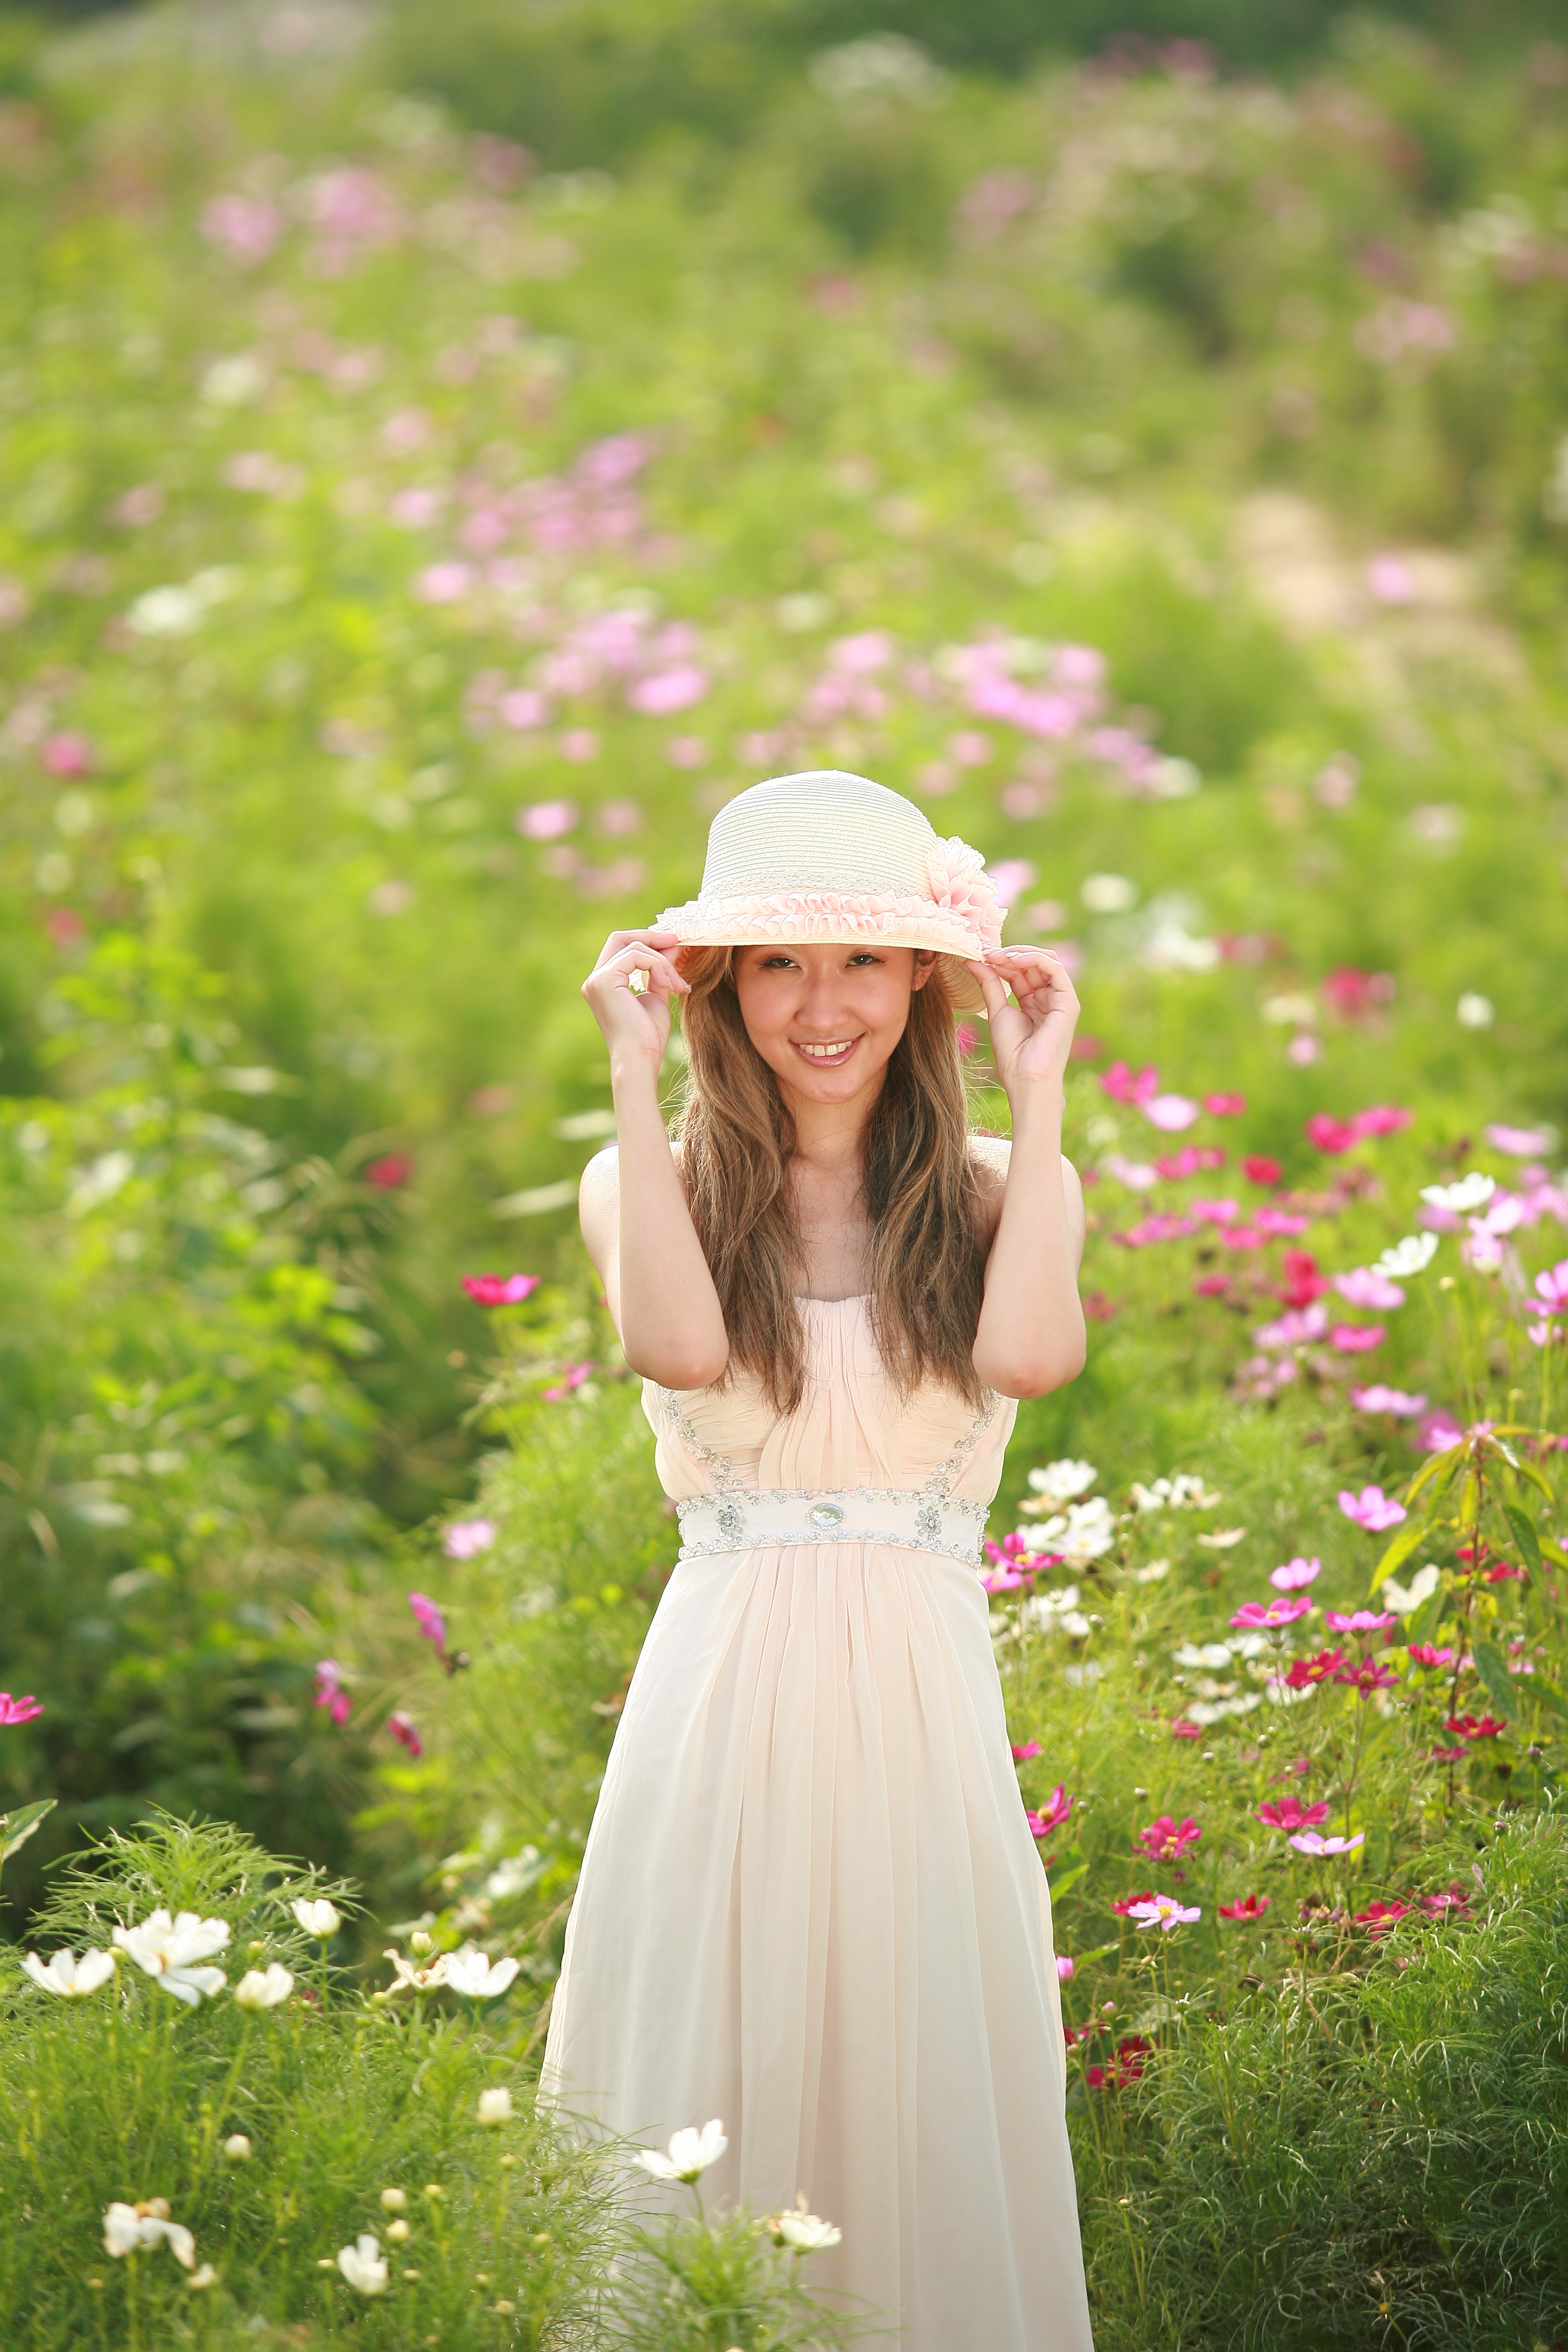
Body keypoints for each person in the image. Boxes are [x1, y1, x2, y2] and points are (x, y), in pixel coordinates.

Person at [541, 769, 1096, 2351]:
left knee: (910, 2080)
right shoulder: (649, 1184)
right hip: (722, 1711)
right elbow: (672, 1344)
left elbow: (1037, 1359)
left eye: (861, 958)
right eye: (780, 963)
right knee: (719, 2076)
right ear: (724, 985)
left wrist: (1039, 1096)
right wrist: (633, 1080)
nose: (823, 1004)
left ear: (925, 972)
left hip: (919, 1715)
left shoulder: (996, 1195)